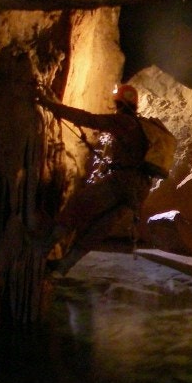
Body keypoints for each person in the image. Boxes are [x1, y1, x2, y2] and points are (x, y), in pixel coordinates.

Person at [34, 83, 154, 272]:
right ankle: (65, 264)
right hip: (140, 190)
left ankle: (43, 247)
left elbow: (89, 119)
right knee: (99, 228)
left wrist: (51, 105)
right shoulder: (143, 126)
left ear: (119, 103)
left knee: (79, 206)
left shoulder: (123, 121)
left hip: (122, 181)